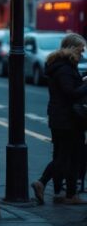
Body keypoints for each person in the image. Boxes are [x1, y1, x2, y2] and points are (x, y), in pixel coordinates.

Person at [31, 33, 87, 206]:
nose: (83, 52)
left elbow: (68, 88)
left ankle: (68, 194)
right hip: (67, 119)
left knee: (68, 156)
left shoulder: (63, 66)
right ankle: (42, 182)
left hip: (62, 117)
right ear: (72, 48)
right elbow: (70, 93)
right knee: (66, 157)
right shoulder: (64, 68)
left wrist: (82, 81)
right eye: (80, 49)